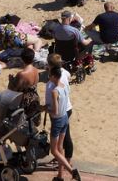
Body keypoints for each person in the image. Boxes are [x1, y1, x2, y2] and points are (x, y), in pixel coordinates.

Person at [45, 52, 75, 181]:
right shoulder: (64, 74)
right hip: (66, 109)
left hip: (59, 113)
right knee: (61, 145)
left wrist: (45, 109)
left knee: (58, 147)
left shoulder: (52, 86)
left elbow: (52, 106)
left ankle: (67, 165)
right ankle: (60, 174)